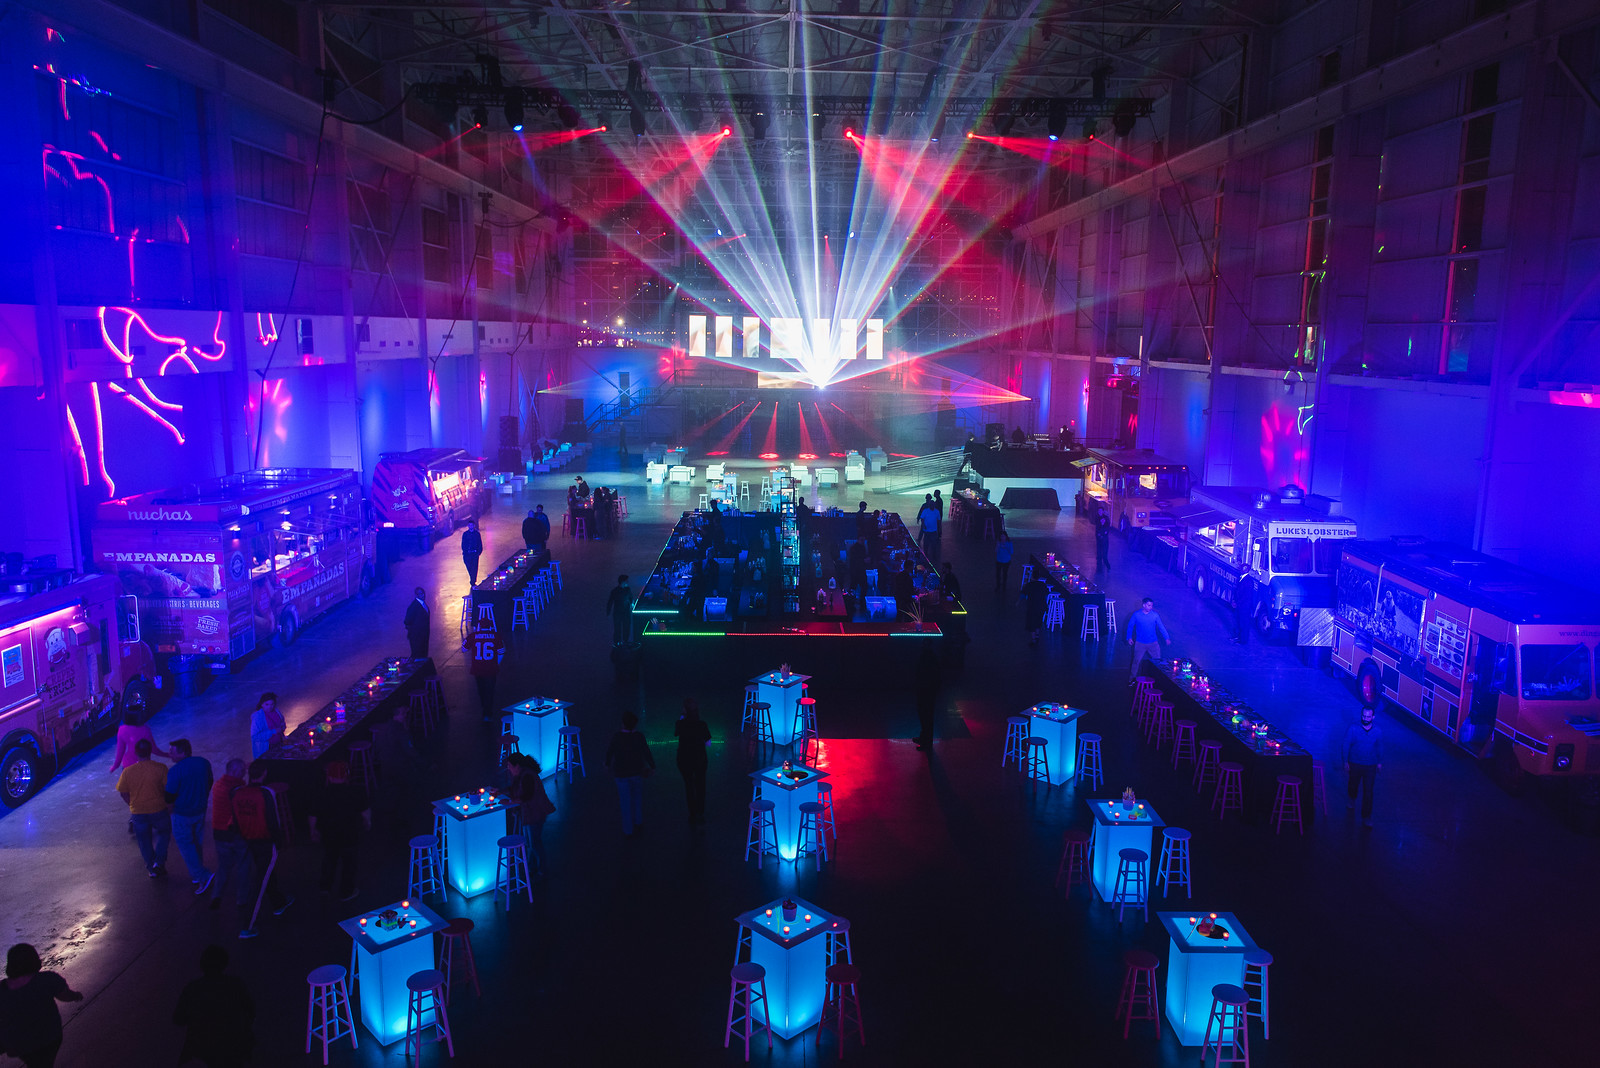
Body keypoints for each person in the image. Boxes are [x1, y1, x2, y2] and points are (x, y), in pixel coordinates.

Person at [232, 761, 293, 938]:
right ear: (264, 773)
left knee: (265, 873)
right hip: (265, 840)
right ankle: (247, 926)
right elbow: (273, 820)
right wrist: (279, 841)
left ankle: (278, 902)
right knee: (260, 882)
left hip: (248, 839)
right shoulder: (266, 793)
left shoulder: (236, 792)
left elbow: (236, 817)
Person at [0, 943, 83, 1068]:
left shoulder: (2, 989)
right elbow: (65, 996)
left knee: (34, 1061)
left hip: (17, 1043)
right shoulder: (47, 979)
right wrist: (76, 995)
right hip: (48, 1036)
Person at [172, 945, 254, 1068]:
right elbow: (251, 1011)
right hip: (231, 1050)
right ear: (224, 963)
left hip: (199, 1050)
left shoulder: (193, 988)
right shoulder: (235, 985)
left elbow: (178, 1019)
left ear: (202, 963)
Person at [309, 761, 368, 901]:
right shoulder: (355, 792)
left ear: (329, 776)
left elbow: (312, 815)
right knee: (349, 864)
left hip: (329, 835)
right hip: (350, 835)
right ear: (346, 776)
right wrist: (368, 822)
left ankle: (325, 888)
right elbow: (365, 811)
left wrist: (313, 831)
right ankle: (346, 892)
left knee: (329, 860)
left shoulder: (321, 794)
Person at [165, 739, 214, 894]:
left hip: (182, 814)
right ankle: (197, 872)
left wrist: (170, 812)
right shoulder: (203, 763)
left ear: (182, 752)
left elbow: (169, 797)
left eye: (172, 751)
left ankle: (202, 876)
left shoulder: (175, 771)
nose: (169, 754)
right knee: (197, 842)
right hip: (200, 810)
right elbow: (210, 781)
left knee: (186, 846)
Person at [116, 738, 170, 877]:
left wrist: (131, 804)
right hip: (159, 809)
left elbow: (123, 792)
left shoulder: (128, 772)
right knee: (164, 833)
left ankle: (152, 869)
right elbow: (168, 789)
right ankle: (159, 862)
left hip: (138, 812)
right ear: (150, 751)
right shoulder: (161, 768)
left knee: (144, 840)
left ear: (136, 753)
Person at [208, 759, 251, 913]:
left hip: (219, 833)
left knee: (223, 866)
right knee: (243, 865)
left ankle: (216, 895)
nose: (244, 773)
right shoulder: (239, 789)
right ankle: (242, 899)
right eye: (243, 771)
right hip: (235, 832)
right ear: (236, 771)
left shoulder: (218, 785)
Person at [604, 712, 654, 836]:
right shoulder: (639, 736)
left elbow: (610, 752)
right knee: (637, 798)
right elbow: (646, 751)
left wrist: (607, 764)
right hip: (637, 772)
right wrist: (652, 766)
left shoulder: (617, 737)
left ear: (623, 723)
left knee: (624, 802)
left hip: (621, 774)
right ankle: (638, 822)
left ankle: (628, 830)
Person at [509, 755, 555, 874]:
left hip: (534, 813)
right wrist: (500, 792)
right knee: (531, 842)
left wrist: (509, 802)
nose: (508, 768)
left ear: (517, 766)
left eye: (509, 765)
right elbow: (515, 790)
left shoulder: (527, 776)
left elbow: (527, 796)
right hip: (530, 813)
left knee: (534, 843)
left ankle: (541, 870)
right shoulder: (522, 775)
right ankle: (532, 867)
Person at [1343, 705, 1384, 828]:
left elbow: (1380, 746)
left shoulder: (1377, 731)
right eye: (1364, 716)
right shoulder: (1353, 728)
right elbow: (1346, 744)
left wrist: (1379, 762)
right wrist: (1345, 761)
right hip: (1355, 763)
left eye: (1368, 716)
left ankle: (1366, 817)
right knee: (1353, 785)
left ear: (1373, 717)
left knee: (1368, 791)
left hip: (1370, 765)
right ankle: (1352, 798)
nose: (1365, 718)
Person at [674, 698, 712, 825]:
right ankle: (701, 812)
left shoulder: (680, 724)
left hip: (684, 759)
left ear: (685, 710)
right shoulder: (702, 724)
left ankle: (692, 813)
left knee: (689, 785)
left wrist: (682, 718)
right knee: (700, 785)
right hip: (699, 758)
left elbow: (676, 732)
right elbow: (709, 743)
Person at [467, 611, 506, 722]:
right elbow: (502, 652)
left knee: (481, 690)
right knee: (490, 690)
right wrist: (496, 663)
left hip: (477, 669)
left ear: (479, 626)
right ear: (490, 626)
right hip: (491, 669)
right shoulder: (496, 636)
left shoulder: (473, 636)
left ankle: (484, 708)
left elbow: (463, 648)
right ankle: (487, 713)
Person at [1125, 597, 1172, 679]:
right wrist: (1129, 637)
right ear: (1144, 605)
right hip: (1140, 643)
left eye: (1151, 605)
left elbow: (1161, 627)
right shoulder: (1136, 615)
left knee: (1157, 662)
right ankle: (1132, 679)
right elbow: (1130, 626)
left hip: (1153, 643)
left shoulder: (1155, 615)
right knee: (1136, 661)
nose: (1150, 607)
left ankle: (1157, 679)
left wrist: (1166, 637)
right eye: (1149, 605)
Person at [108, 705, 155, 775]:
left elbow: (120, 752)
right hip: (143, 765)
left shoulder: (122, 729)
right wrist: (167, 754)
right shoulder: (145, 730)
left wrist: (114, 767)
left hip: (127, 766)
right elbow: (154, 749)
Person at [914, 639, 942, 750]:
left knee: (925, 716)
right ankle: (925, 739)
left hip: (926, 689)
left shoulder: (927, 657)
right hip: (928, 689)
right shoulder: (931, 656)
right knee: (926, 716)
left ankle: (926, 742)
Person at [248, 693, 283, 760]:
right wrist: (273, 731)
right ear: (262, 704)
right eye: (267, 704)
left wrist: (282, 726)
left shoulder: (276, 711)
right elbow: (255, 737)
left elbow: (281, 722)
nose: (270, 707)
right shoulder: (258, 717)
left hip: (279, 744)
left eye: (272, 704)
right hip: (266, 749)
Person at [1019, 571, 1050, 646]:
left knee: (1031, 622)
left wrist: (1018, 602)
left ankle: (1033, 640)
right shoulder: (1042, 584)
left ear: (1032, 577)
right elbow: (1046, 594)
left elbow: (1023, 595)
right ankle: (1037, 635)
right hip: (1041, 606)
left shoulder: (1029, 585)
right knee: (1038, 620)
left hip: (1032, 606)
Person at [606, 574, 634, 646]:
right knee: (617, 628)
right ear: (623, 581)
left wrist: (632, 604)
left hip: (625, 612)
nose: (627, 582)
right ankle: (617, 643)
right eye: (626, 581)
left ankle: (624, 642)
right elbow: (610, 602)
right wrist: (608, 612)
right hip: (618, 613)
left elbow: (631, 598)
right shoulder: (615, 591)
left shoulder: (627, 590)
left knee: (626, 627)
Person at [404, 587, 430, 660]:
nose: (423, 595)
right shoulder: (414, 606)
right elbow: (407, 620)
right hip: (417, 636)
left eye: (423, 593)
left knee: (423, 653)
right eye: (420, 594)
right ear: (416, 595)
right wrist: (413, 630)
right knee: (417, 654)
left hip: (423, 634)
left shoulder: (423, 604)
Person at [1233, 575, 1258, 645]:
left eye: (1244, 569)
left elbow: (1246, 595)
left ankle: (1243, 641)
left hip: (1245, 606)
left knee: (1244, 623)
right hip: (1240, 605)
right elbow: (1237, 591)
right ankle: (1238, 637)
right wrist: (1234, 600)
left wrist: (1238, 602)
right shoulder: (1241, 578)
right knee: (1238, 621)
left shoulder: (1248, 580)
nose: (1242, 570)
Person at [916, 496, 941, 563]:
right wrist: (923, 524)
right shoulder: (925, 510)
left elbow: (938, 521)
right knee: (926, 544)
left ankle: (934, 555)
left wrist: (939, 529)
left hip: (933, 531)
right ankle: (926, 555)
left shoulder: (937, 512)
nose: (932, 506)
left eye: (933, 505)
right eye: (931, 505)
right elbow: (922, 518)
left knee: (934, 544)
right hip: (927, 531)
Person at [461, 519, 484, 586]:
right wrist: (465, 552)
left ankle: (473, 581)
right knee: (469, 567)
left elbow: (480, 544)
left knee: (474, 568)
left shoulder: (477, 534)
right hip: (467, 554)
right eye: (469, 525)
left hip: (474, 554)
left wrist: (478, 553)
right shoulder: (465, 534)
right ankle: (472, 579)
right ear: (468, 526)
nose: (470, 526)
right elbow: (463, 544)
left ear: (474, 526)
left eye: (472, 525)